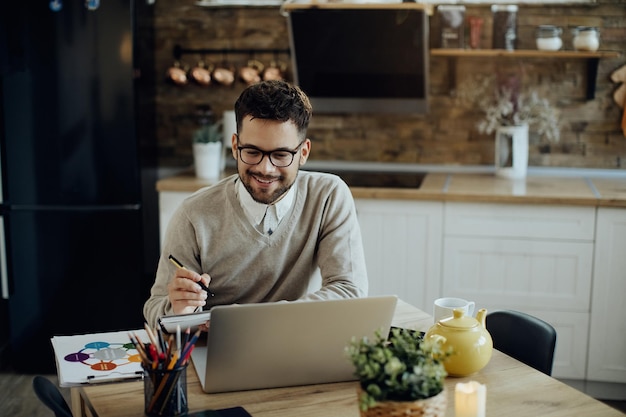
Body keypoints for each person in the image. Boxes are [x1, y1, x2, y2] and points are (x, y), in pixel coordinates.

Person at [143, 80, 368, 329]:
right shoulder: (193, 214)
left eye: (281, 155)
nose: (265, 168)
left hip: (297, 342)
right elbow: (155, 310)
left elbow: (349, 291)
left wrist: (249, 320)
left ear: (303, 153)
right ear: (235, 146)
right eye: (252, 151)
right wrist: (178, 309)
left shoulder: (328, 197)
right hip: (218, 350)